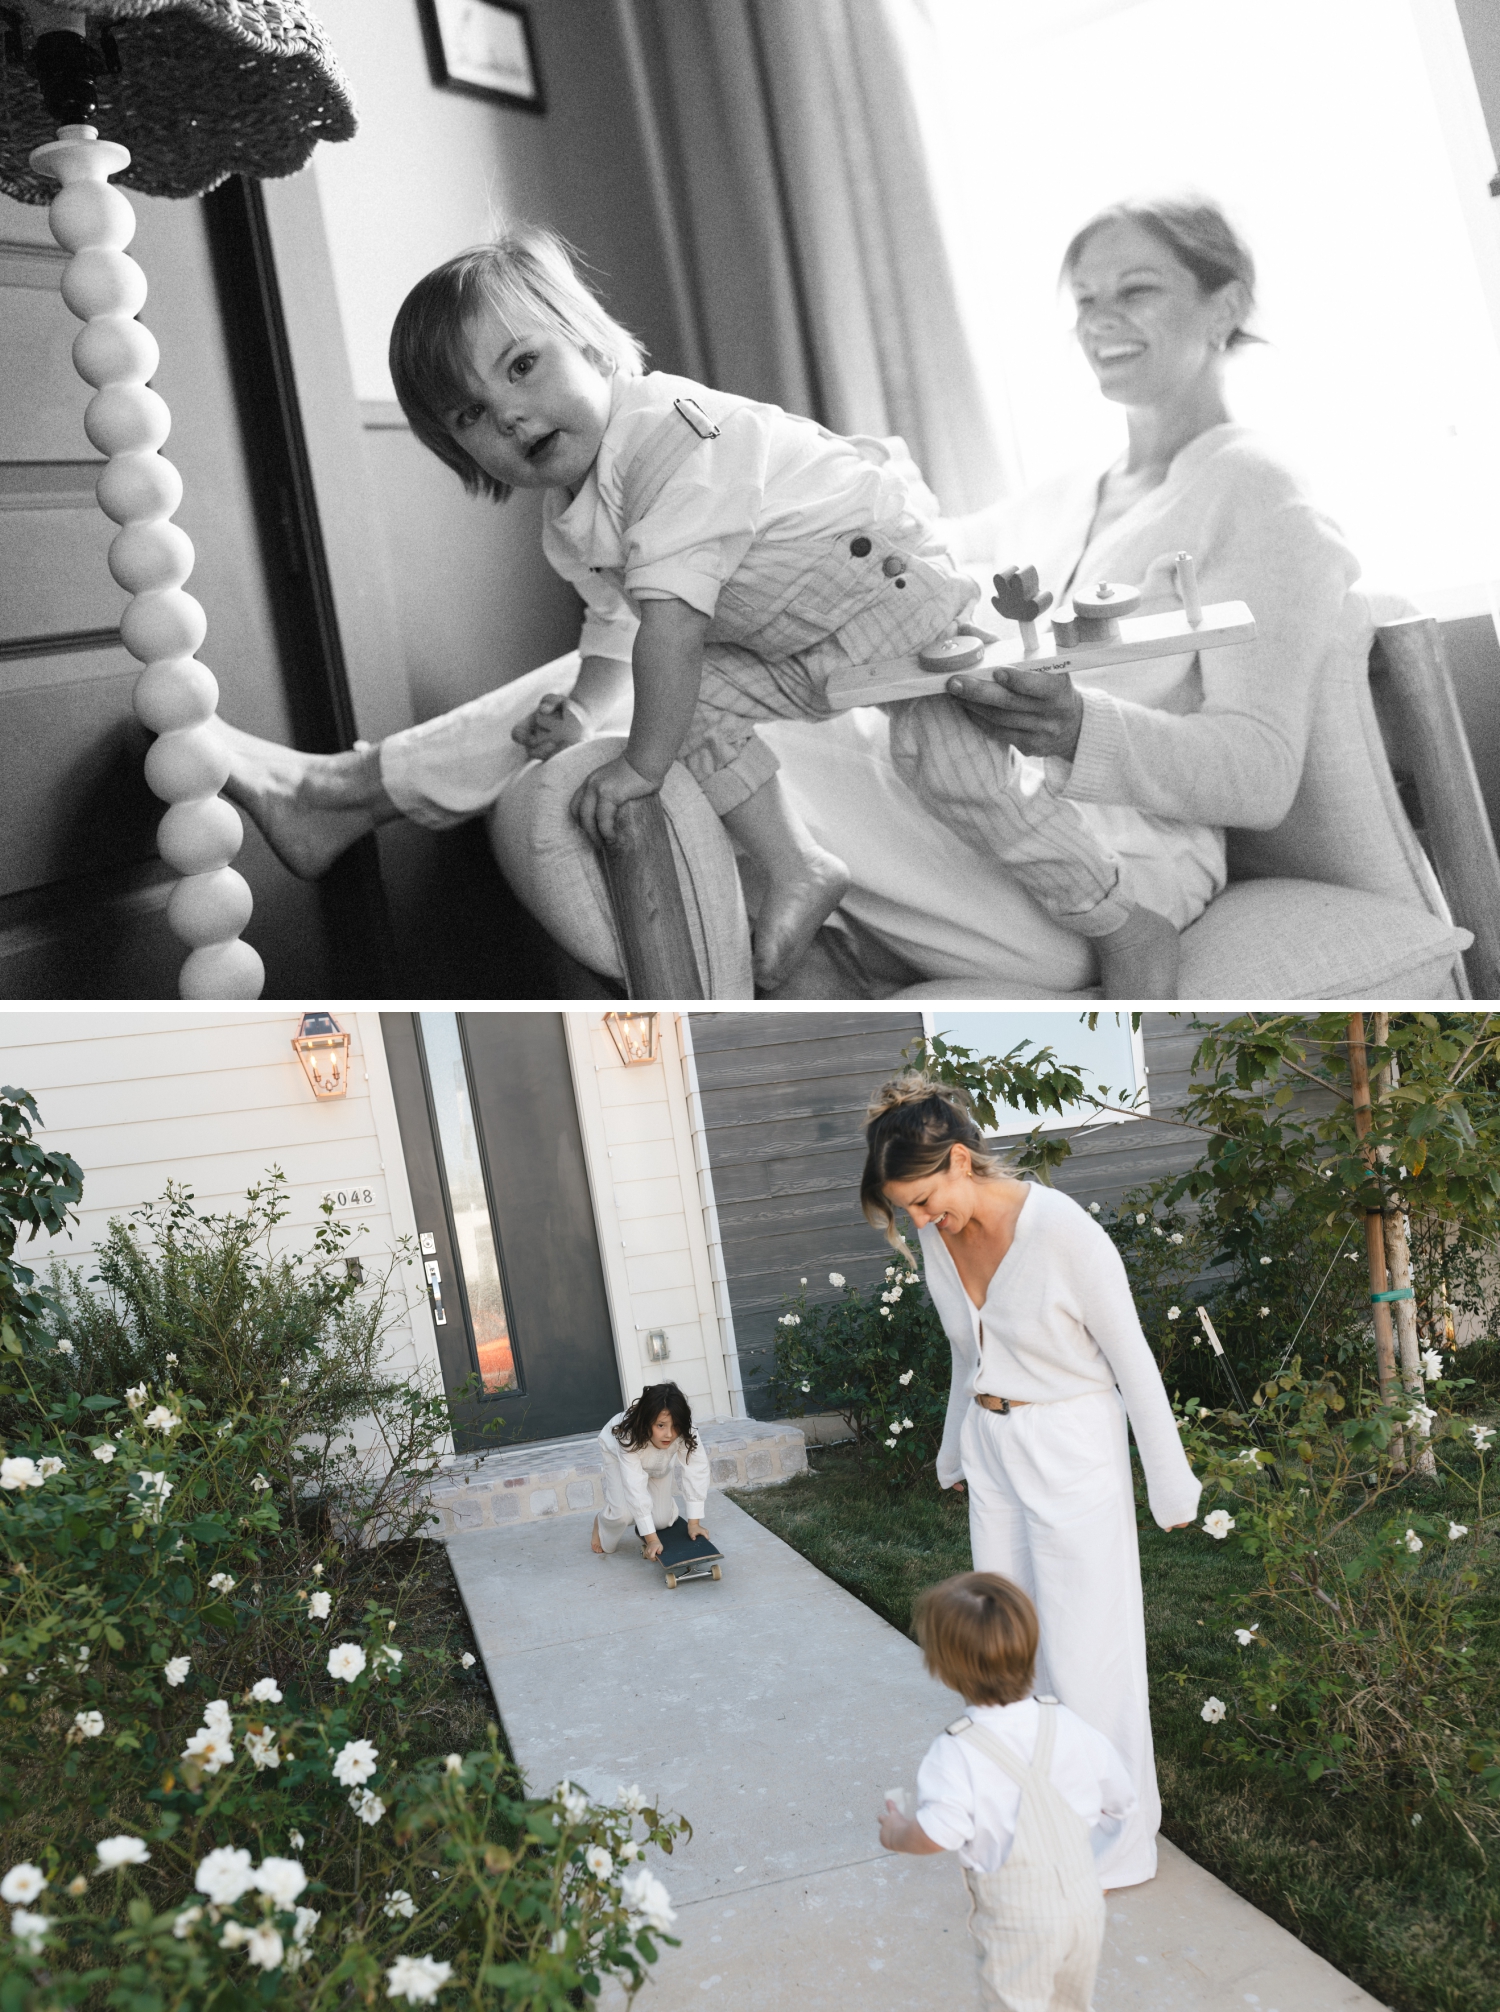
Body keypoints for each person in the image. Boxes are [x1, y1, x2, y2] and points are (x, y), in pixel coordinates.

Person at [217, 224, 1192, 995]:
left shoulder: (670, 437)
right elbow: (618, 633)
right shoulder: (572, 516)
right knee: (695, 716)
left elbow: (673, 627)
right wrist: (589, 712)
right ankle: (797, 860)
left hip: (878, 589)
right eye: (472, 414)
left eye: (522, 367)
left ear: (591, 344)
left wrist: (638, 761)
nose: (509, 414)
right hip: (793, 638)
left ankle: (1120, 918)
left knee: (946, 760)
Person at [861, 1074, 1200, 1888]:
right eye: (905, 1207)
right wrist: (952, 1450)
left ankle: (1115, 1847)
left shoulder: (1060, 1230)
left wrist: (1170, 1478)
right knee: (1008, 1654)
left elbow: (1130, 1357)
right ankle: (1034, 1825)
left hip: (1071, 1443)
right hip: (993, 1449)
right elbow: (966, 1355)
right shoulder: (942, 1240)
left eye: (922, 1199)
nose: (918, 1220)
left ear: (962, 1161)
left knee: (1089, 1652)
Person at [879, 1571, 1134, 2011]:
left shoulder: (956, 1751)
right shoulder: (1069, 1725)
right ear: (1030, 1647)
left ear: (943, 1668)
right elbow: (1121, 1801)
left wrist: (897, 1832)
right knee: (1072, 2003)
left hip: (1020, 1921)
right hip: (1084, 1906)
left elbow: (938, 1833)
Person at [591, 1381, 711, 1562]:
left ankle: (656, 1512)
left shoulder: (686, 1430)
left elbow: (696, 1470)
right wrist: (652, 1540)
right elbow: (634, 1485)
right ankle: (601, 1522)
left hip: (659, 1461)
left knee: (661, 1522)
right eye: (660, 1426)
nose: (669, 1434)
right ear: (647, 1422)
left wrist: (694, 1523)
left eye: (675, 1426)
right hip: (617, 1456)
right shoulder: (627, 1436)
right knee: (623, 1515)